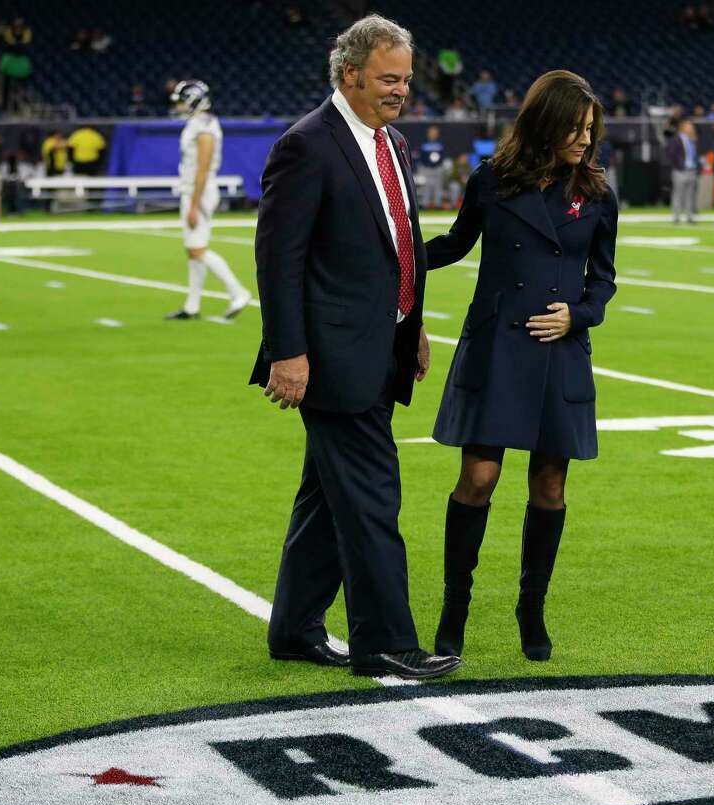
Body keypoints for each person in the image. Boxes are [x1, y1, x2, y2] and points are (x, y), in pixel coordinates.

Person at [250, 14, 460, 681]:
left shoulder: (389, 141)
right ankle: (384, 642)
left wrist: (412, 323)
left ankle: (293, 629)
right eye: (388, 78)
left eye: (405, 78)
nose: (401, 89)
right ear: (350, 73)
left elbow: (396, 244)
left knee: (327, 497)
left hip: (377, 346)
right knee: (372, 494)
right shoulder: (306, 145)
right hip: (330, 358)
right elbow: (277, 257)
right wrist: (288, 351)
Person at [424, 70, 617, 662]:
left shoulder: (598, 194)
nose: (586, 140)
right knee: (479, 479)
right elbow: (456, 244)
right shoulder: (492, 180)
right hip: (497, 346)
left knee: (551, 484)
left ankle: (530, 610)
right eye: (576, 128)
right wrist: (391, 257)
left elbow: (602, 282)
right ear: (546, 123)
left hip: (558, 350)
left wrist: (577, 316)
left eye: (591, 130)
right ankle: (454, 608)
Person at [164, 80, 252, 321]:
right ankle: (192, 306)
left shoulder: (204, 126)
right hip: (195, 189)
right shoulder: (199, 123)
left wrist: (194, 204)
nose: (180, 106)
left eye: (183, 101)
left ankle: (238, 292)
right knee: (193, 250)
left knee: (197, 249)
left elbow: (203, 168)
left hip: (199, 190)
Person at [668, 118, 699, 223]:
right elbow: (671, 154)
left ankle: (689, 216)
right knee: (678, 194)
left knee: (690, 195)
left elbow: (695, 154)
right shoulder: (676, 140)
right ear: (683, 128)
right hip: (680, 171)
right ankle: (676, 216)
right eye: (689, 126)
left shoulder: (693, 140)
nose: (691, 128)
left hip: (692, 170)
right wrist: (678, 166)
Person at [417, 125, 445, 209]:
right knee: (426, 187)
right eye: (431, 133)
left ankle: (437, 204)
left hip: (437, 168)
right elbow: (420, 156)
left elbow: (443, 156)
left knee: (438, 186)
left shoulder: (440, 144)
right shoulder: (423, 143)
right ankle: (425, 204)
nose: (433, 134)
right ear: (428, 134)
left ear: (437, 134)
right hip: (426, 168)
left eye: (435, 133)